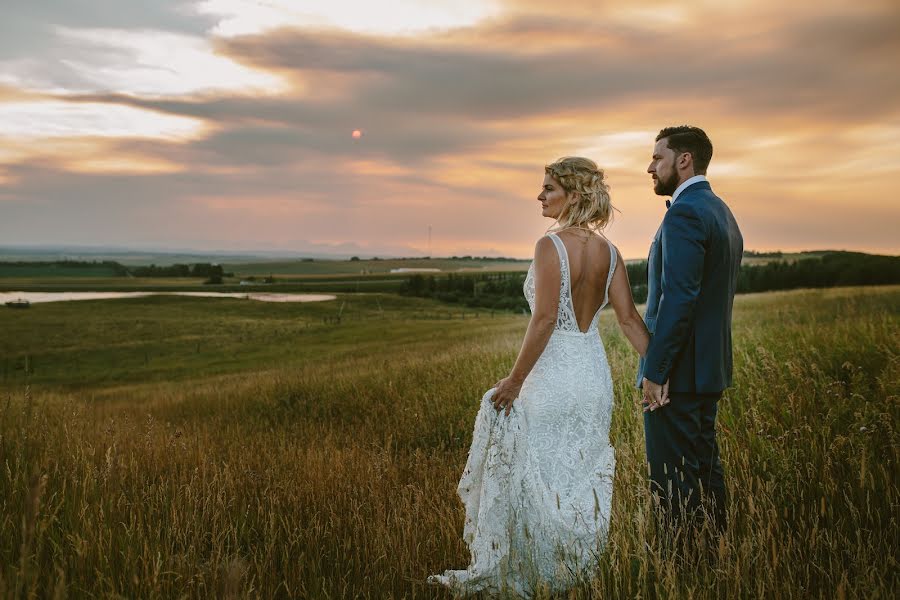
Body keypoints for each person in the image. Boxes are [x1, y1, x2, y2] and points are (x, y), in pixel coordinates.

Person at [430, 157, 652, 596]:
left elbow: (546, 318)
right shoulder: (611, 252)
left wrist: (514, 380)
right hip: (591, 377)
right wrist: (660, 373)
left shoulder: (549, 247)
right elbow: (629, 321)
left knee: (539, 473)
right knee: (580, 473)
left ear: (573, 194)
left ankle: (537, 574)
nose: (540, 196)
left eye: (548, 188)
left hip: (551, 378)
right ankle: (573, 572)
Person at [638, 125, 743, 537]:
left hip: (677, 375)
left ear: (684, 160)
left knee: (671, 479)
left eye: (657, 157)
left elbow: (679, 298)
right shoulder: (720, 210)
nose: (650, 167)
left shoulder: (683, 213)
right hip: (708, 369)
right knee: (703, 467)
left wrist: (656, 370)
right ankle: (713, 554)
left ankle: (679, 563)